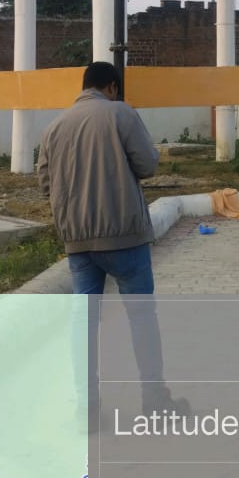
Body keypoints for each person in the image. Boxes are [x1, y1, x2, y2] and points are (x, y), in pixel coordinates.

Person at [38, 60, 180, 431]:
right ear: (112, 87)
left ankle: (87, 410)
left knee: (83, 324)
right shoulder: (121, 114)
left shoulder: (54, 127)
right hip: (124, 237)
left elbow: (45, 185)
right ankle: (154, 400)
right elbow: (147, 165)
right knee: (142, 318)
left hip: (78, 243)